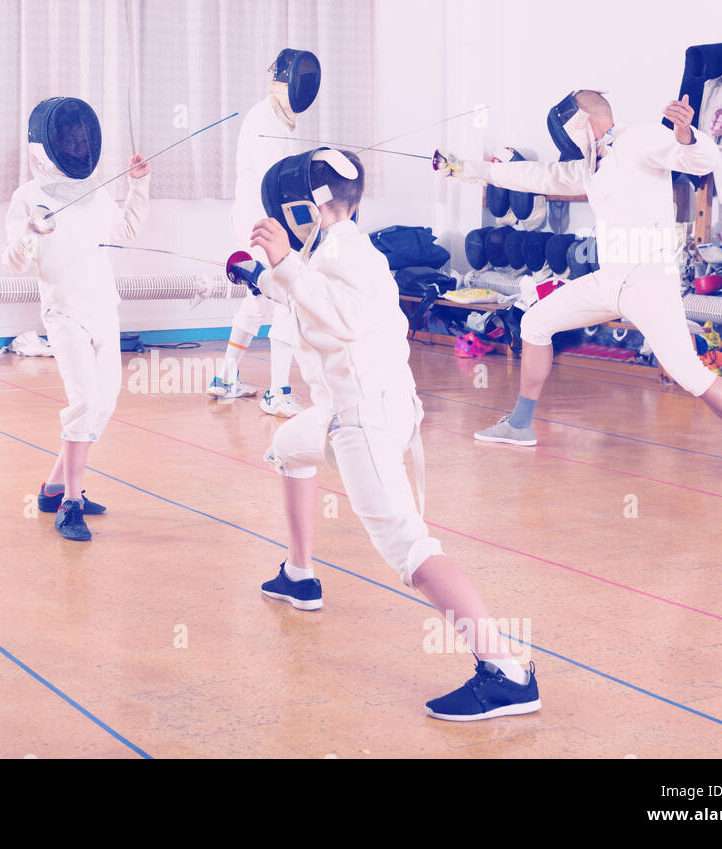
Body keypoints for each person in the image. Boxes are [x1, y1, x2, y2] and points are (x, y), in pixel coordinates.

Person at [234, 147, 540, 720]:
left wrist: (286, 267)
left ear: (306, 208)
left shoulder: (340, 255)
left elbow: (343, 313)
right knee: (288, 448)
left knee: (408, 545)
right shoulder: (338, 247)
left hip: (363, 417)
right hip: (352, 406)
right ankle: (300, 576)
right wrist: (269, 277)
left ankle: (507, 672)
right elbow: (322, 303)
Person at [436, 91, 722, 483]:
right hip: (610, 280)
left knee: (689, 375)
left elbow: (700, 160)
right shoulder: (593, 166)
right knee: (535, 322)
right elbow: (538, 175)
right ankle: (519, 425)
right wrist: (464, 168)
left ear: (584, 123)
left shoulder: (639, 139)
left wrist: (688, 135)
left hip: (648, 280)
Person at [2, 97, 150, 541]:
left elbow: (126, 230)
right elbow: (12, 263)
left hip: (104, 307)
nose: (75, 143)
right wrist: (31, 233)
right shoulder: (27, 198)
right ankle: (70, 502)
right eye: (67, 138)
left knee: (104, 403)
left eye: (79, 137)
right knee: (84, 401)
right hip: (64, 315)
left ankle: (52, 489)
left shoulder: (96, 191)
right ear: (46, 147)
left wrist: (139, 186)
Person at [208, 49, 319, 418]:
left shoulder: (276, 116)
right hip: (262, 222)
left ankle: (225, 378)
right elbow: (277, 184)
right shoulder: (266, 121)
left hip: (253, 219)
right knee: (286, 296)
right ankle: (278, 393)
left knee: (258, 299)